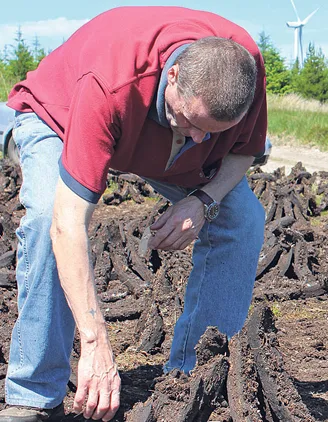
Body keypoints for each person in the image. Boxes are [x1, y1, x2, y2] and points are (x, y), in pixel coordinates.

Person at [0, 6, 268, 422]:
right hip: (61, 116)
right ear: (174, 75)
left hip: (155, 143)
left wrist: (202, 200)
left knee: (243, 219)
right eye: (190, 120)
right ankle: (33, 395)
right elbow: (67, 223)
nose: (200, 138)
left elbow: (244, 151)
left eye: (211, 131)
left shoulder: (243, 68)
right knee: (43, 220)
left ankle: (196, 378)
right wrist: (95, 342)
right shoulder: (110, 83)